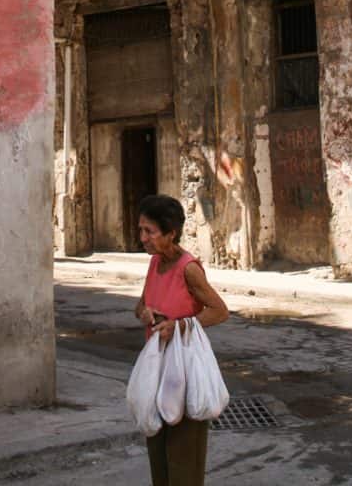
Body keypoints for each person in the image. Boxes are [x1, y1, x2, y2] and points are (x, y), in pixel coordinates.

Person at [134, 194, 229, 486]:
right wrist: (147, 314)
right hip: (157, 369)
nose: (143, 238)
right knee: (158, 448)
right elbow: (139, 307)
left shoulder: (188, 268)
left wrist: (180, 326)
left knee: (184, 454)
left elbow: (219, 311)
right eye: (141, 230)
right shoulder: (154, 264)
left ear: (170, 233)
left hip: (184, 372)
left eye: (149, 231)